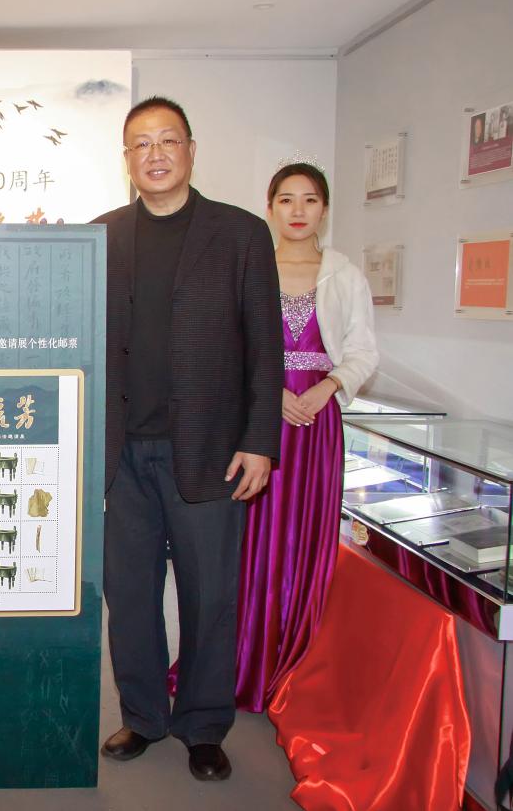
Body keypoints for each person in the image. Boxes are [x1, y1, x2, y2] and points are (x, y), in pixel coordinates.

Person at [95, 97, 283, 781]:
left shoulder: (240, 234)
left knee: (210, 597)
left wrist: (260, 440)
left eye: (167, 140)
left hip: (209, 451)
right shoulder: (102, 235)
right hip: (121, 455)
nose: (155, 154)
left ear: (191, 150)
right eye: (141, 143)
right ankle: (143, 716)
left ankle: (204, 726)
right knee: (130, 596)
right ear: (127, 159)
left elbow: (266, 348)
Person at [235, 161, 378, 711]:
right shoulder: (251, 267)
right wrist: (270, 393)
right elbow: (232, 345)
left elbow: (363, 351)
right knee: (252, 537)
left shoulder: (344, 274)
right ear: (269, 207)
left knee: (306, 537)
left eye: (310, 200)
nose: (298, 211)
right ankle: (244, 659)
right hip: (260, 419)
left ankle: (296, 661)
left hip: (318, 423)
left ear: (325, 209)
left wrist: (329, 387)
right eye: (286, 200)